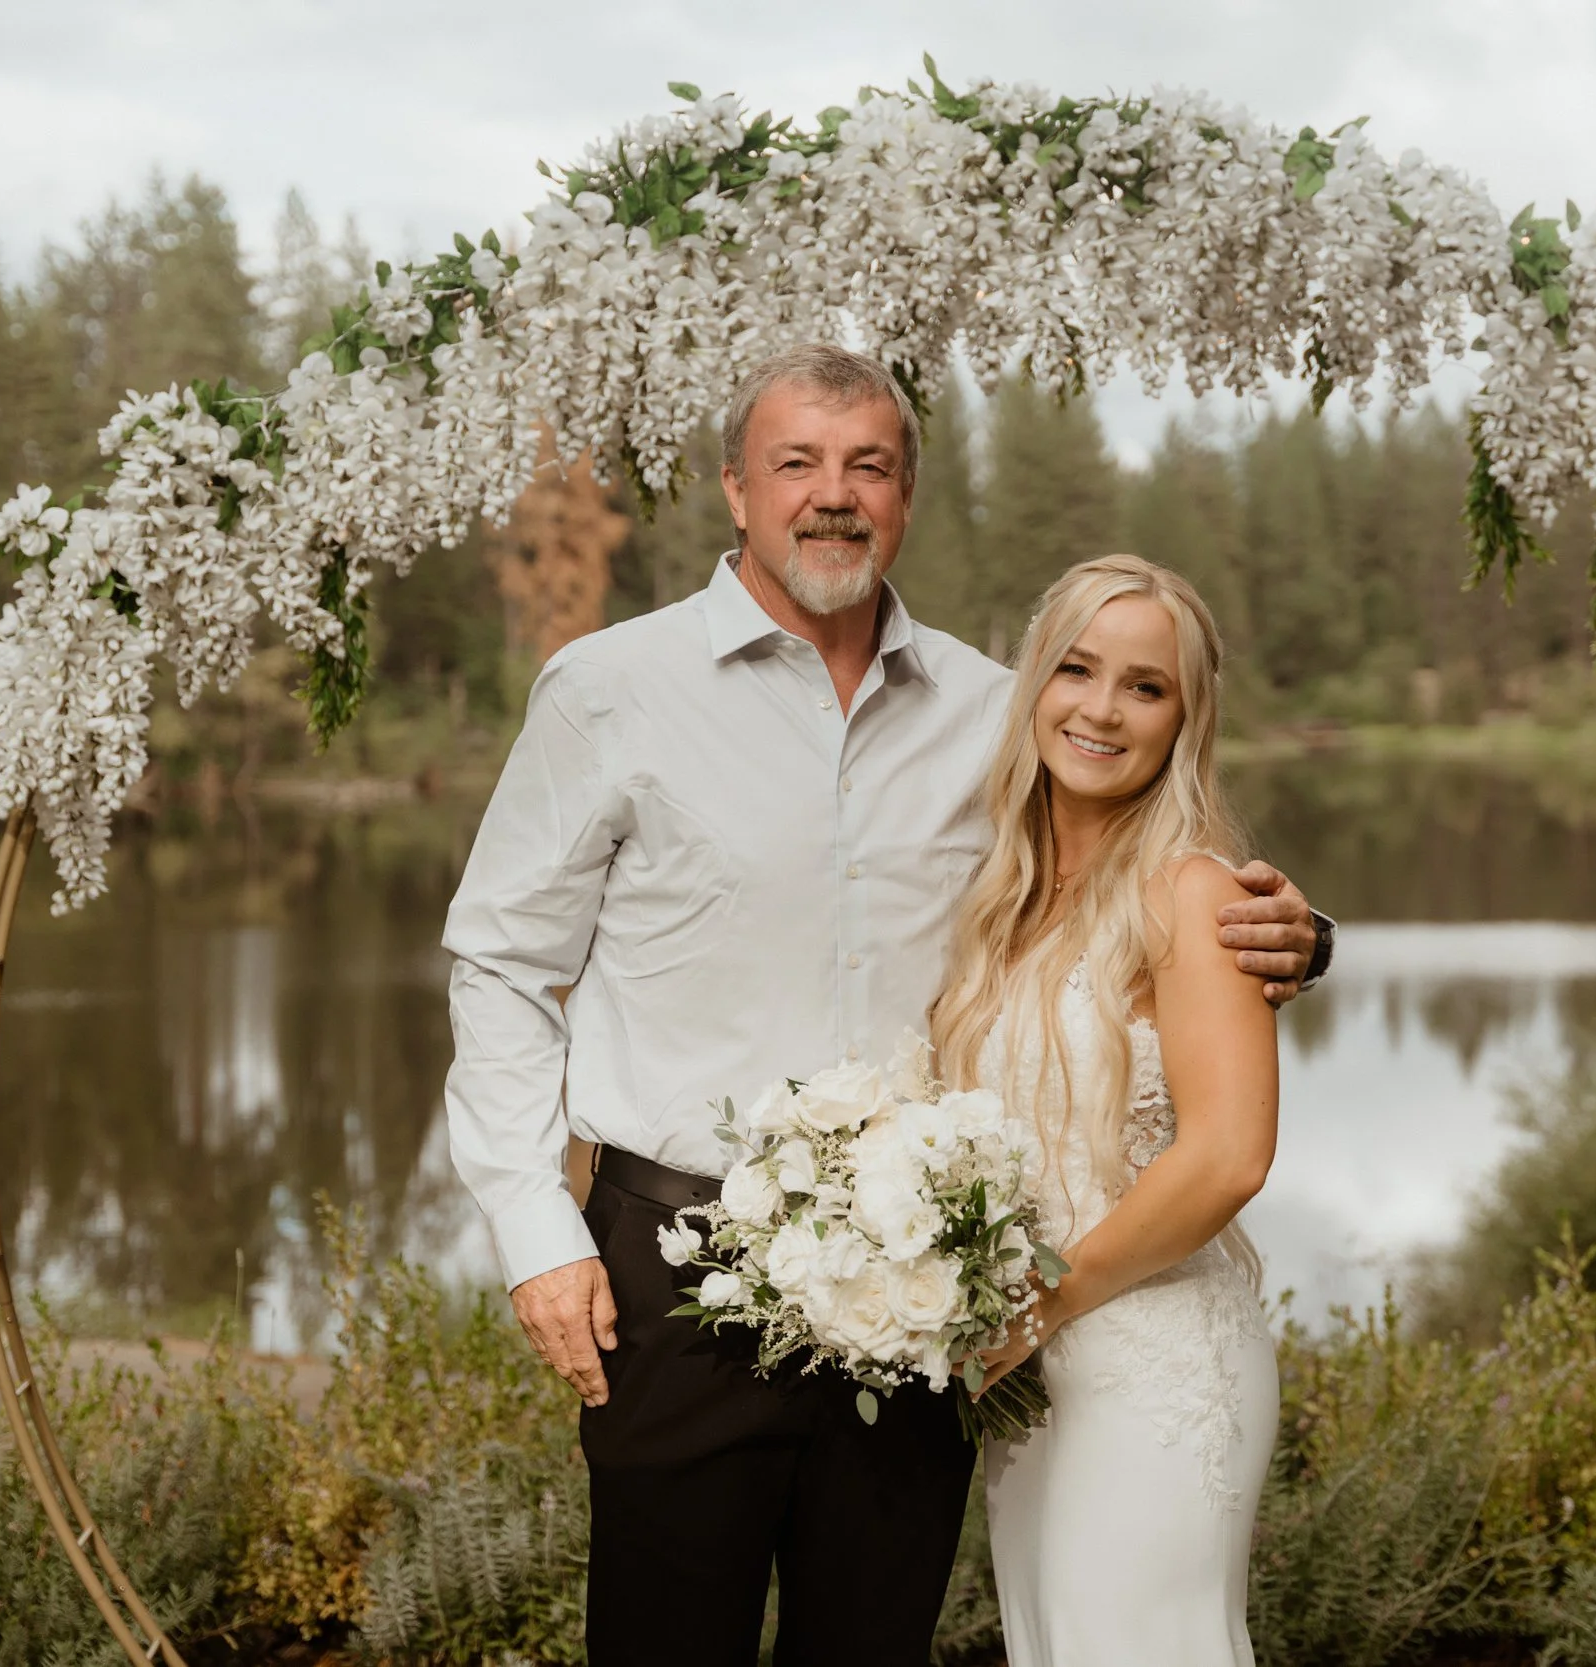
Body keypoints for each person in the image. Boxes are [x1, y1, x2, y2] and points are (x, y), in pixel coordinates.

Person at [440, 345, 1325, 1667]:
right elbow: (501, 959)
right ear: (737, 489)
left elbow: (1127, 884)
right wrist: (533, 1223)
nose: (833, 495)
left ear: (907, 495)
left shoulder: (995, 712)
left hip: (923, 1286)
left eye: (869, 465)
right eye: (797, 462)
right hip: (676, 1265)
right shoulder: (610, 689)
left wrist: (1300, 936)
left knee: (872, 1639)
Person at [937, 555, 1279, 1666]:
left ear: (1186, 717)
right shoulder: (1006, 898)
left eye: (1145, 685)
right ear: (1032, 682)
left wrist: (1040, 1304)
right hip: (1028, 1376)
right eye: (1076, 669)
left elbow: (1228, 1155)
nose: (1100, 708)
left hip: (1146, 1361)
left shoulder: (1192, 890)